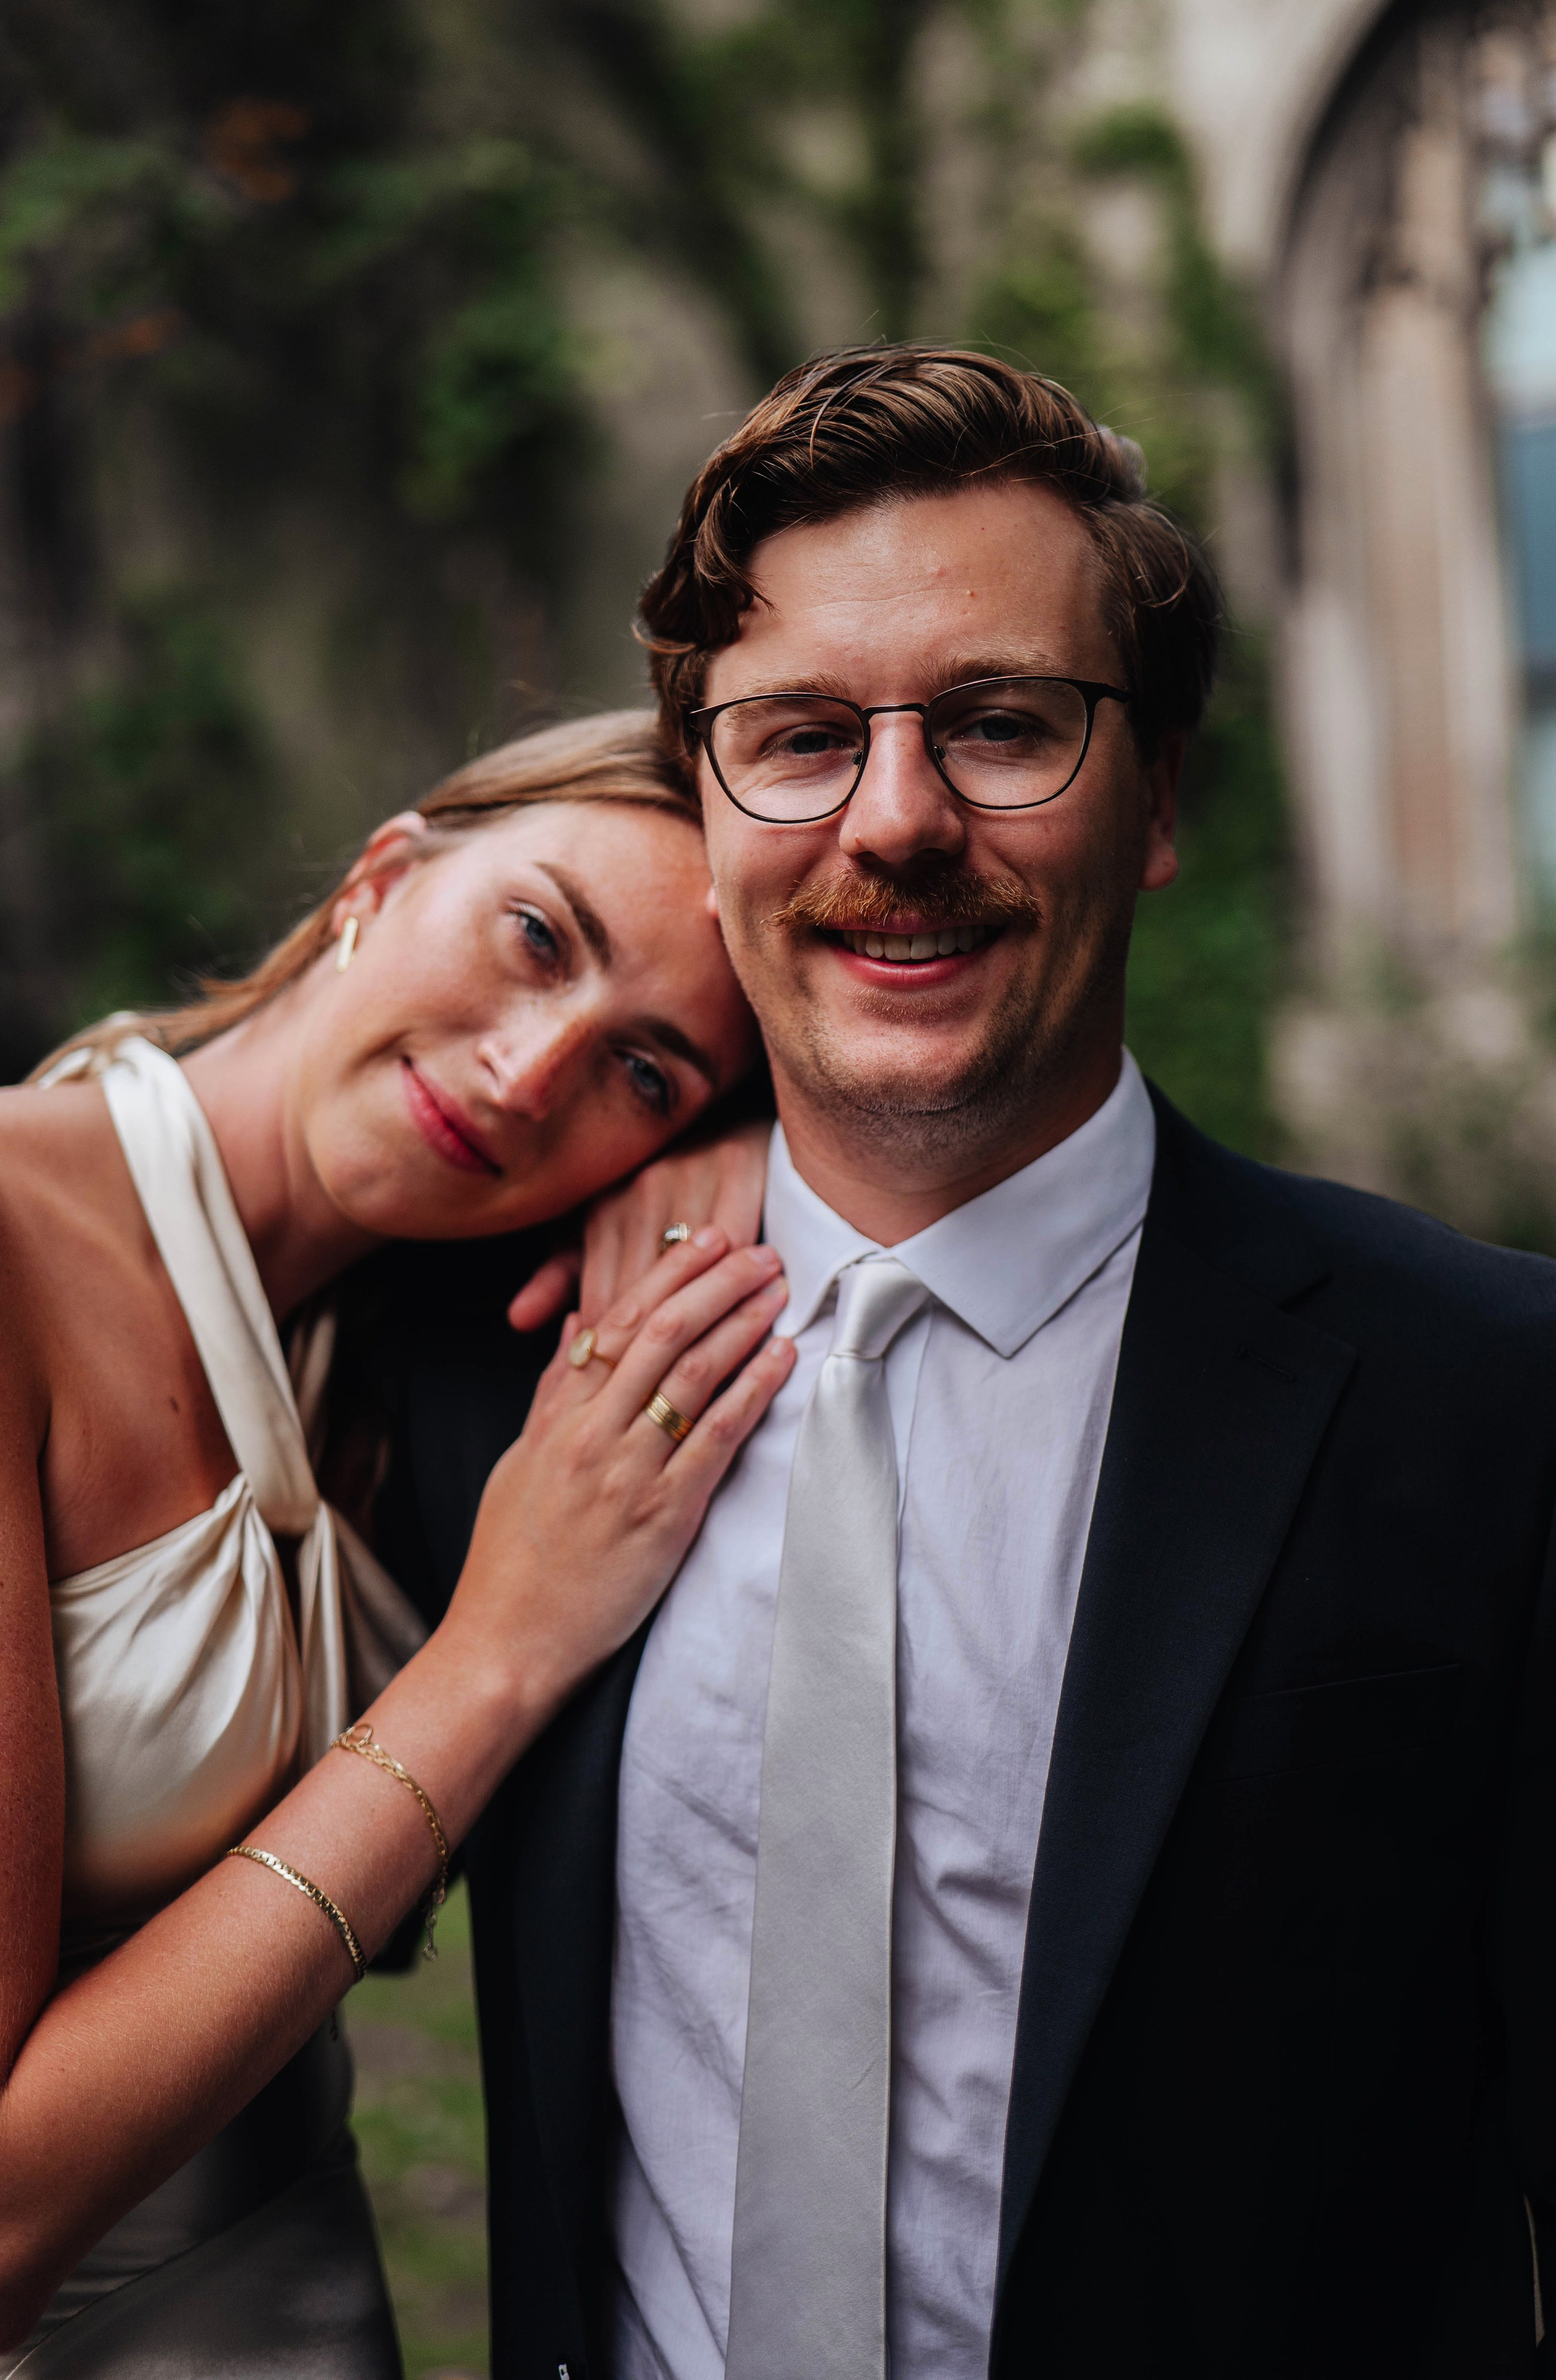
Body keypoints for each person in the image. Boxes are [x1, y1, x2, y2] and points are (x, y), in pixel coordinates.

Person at [388, 346, 1556, 2379]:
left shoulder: (1488, 1399)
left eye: (1006, 726)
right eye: (804, 738)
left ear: (1160, 798)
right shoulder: (498, 1368)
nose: (900, 820)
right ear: (714, 804)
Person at [0, 710, 798, 2378]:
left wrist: (755, 1157)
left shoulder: (406, 1349)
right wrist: (498, 1650)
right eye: (535, 937)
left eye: (645, 1068)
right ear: (378, 878)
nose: (528, 1075)